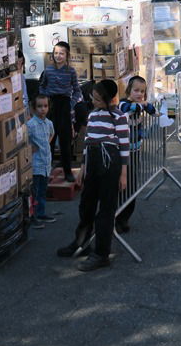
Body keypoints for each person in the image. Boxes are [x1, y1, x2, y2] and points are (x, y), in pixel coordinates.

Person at [56, 79, 129, 272]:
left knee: (106, 209)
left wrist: (123, 173)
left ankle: (101, 254)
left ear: (108, 99)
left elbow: (124, 147)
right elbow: (87, 144)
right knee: (86, 204)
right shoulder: (92, 115)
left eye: (97, 98)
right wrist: (82, 168)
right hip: (93, 163)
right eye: (93, 97)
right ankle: (81, 242)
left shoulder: (119, 117)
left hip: (110, 164)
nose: (93, 100)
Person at [115, 76, 157, 234]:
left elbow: (153, 111)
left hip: (136, 151)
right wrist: (142, 105)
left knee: (133, 187)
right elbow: (130, 109)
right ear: (128, 91)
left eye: (142, 91)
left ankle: (125, 218)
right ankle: (118, 218)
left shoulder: (141, 104)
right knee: (123, 186)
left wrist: (146, 104)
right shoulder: (123, 104)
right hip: (123, 153)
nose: (140, 94)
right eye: (136, 90)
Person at [38, 41, 82, 182]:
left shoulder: (71, 71)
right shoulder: (48, 70)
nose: (58, 56)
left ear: (67, 55)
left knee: (65, 140)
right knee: (49, 139)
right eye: (56, 53)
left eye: (61, 53)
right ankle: (47, 170)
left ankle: (67, 170)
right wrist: (45, 101)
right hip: (51, 106)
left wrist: (71, 104)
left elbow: (77, 90)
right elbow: (42, 86)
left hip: (64, 105)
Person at [27, 94, 57, 229]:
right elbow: (25, 140)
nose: (42, 109)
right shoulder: (30, 124)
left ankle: (41, 213)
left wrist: (45, 145)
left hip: (46, 163)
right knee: (34, 191)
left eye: (45, 106)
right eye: (39, 106)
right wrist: (31, 148)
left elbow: (51, 134)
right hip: (35, 164)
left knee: (42, 191)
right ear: (33, 108)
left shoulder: (49, 123)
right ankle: (33, 216)